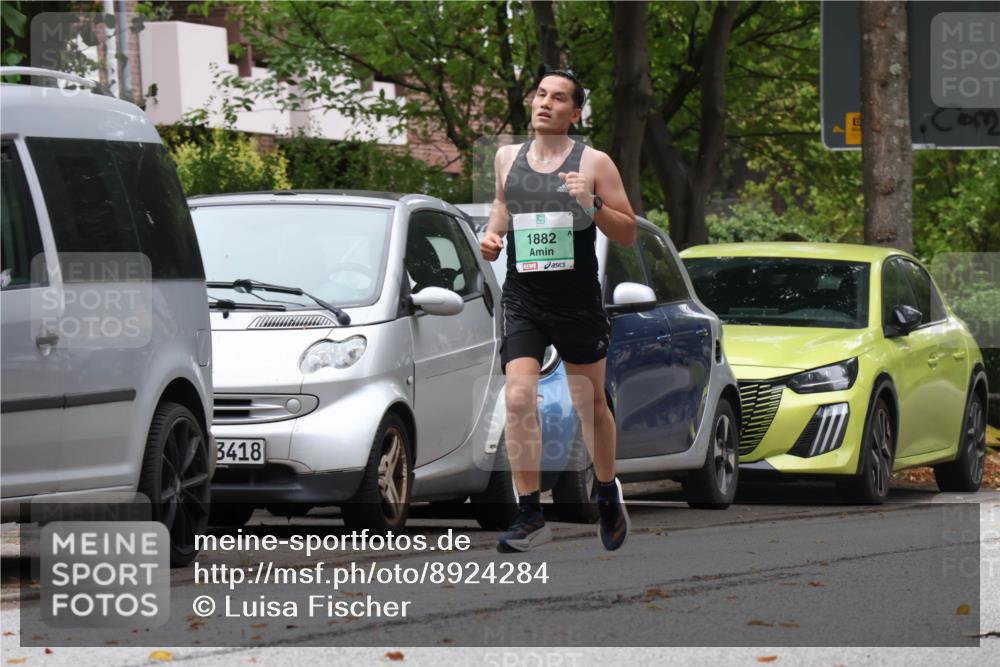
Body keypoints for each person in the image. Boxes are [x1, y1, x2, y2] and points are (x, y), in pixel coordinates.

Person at [480, 68, 637, 553]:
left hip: (576, 302)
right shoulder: (508, 157)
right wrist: (493, 235)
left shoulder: (595, 162)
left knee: (590, 403)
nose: (545, 103)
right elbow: (504, 205)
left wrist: (590, 205)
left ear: (575, 112)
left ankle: (607, 491)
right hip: (524, 298)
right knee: (519, 398)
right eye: (541, 94)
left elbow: (627, 231)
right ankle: (530, 513)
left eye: (559, 98)